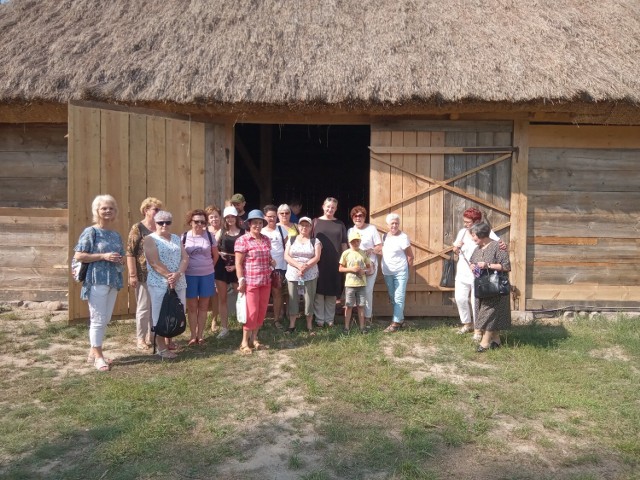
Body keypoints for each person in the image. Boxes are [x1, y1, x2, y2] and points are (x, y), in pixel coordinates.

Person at [73, 194, 125, 372]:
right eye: (104, 208)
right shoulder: (91, 232)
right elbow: (79, 255)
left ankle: (92, 352)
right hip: (96, 279)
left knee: (106, 318)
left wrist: (120, 260)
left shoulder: (115, 234)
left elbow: (120, 255)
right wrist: (103, 256)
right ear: (97, 211)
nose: (108, 211)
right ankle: (99, 357)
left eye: (111, 208)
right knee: (97, 319)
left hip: (113, 279)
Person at [452, 207, 503, 341]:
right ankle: (467, 323)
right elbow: (455, 251)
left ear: (477, 221)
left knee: (477, 303)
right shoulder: (462, 232)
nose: (465, 224)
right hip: (463, 271)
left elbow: (499, 244)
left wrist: (503, 246)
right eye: (465, 221)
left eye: (468, 222)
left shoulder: (486, 232)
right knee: (460, 298)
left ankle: (478, 329)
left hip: (478, 273)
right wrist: (456, 247)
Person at [143, 210, 189, 359]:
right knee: (160, 314)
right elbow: (154, 262)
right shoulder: (150, 239)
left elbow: (185, 258)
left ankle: (170, 340)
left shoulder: (176, 238)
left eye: (167, 222)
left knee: (176, 311)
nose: (164, 225)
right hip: (159, 283)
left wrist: (178, 274)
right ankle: (161, 347)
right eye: (160, 222)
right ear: (155, 223)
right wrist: (170, 276)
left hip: (178, 282)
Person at [235, 209, 274, 354]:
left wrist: (272, 261)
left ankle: (254, 339)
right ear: (249, 224)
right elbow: (238, 263)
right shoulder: (242, 240)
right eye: (254, 223)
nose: (257, 225)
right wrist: (241, 280)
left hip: (265, 280)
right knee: (251, 312)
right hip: (250, 281)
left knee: (261, 311)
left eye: (259, 222)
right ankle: (244, 342)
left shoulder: (266, 239)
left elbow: (267, 257)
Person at [126, 197, 163, 351]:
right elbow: (130, 252)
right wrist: (132, 275)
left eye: (159, 210)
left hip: (159, 275)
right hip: (143, 274)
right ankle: (140, 338)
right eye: (155, 209)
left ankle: (152, 336)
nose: (157, 212)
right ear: (146, 210)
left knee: (156, 307)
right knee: (143, 307)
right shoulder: (138, 228)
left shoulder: (161, 228)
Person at [469, 222, 511, 352]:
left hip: (494, 287)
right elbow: (473, 262)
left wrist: (488, 265)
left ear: (481, 235)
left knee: (489, 314)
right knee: (485, 312)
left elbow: (506, 266)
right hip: (482, 287)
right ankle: (496, 340)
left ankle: (485, 343)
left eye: (474, 235)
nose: (472, 238)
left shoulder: (497, 246)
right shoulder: (478, 248)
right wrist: (472, 266)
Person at [182, 209, 219, 345]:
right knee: (192, 307)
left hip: (206, 275)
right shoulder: (184, 236)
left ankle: (200, 335)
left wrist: (209, 267)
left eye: (202, 222)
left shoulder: (209, 236)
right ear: (190, 222)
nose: (199, 224)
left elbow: (216, 255)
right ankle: (192, 336)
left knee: (203, 306)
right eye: (196, 221)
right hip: (189, 275)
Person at [312, 197, 348, 327]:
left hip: (335, 262)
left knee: (332, 292)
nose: (330, 209)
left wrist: (345, 260)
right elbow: (310, 242)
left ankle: (329, 319)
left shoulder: (340, 224)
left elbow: (344, 244)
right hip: (319, 261)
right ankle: (319, 320)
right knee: (319, 291)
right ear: (323, 206)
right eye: (328, 206)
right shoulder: (315, 222)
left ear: (336, 209)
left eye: (333, 207)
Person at [284, 216, 322, 334]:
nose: (304, 227)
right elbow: (286, 256)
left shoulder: (315, 241)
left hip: (310, 274)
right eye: (302, 225)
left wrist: (305, 266)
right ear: (298, 226)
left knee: (309, 299)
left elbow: (317, 257)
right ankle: (292, 325)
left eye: (307, 225)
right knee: (293, 298)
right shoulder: (291, 240)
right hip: (293, 274)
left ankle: (309, 326)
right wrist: (298, 266)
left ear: (311, 227)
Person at [347, 205, 382, 329]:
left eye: (360, 215)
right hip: (355, 267)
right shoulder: (350, 231)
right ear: (352, 218)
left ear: (364, 217)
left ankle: (367, 319)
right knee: (354, 292)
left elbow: (379, 246)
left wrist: (371, 250)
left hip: (369, 266)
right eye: (355, 216)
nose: (358, 218)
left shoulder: (372, 229)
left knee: (367, 292)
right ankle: (356, 319)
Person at [214, 206, 245, 338]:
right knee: (222, 298)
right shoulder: (220, 232)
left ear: (236, 217)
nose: (230, 219)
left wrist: (236, 266)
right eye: (228, 217)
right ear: (225, 219)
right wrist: (219, 253)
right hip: (222, 267)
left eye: (232, 216)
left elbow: (247, 252)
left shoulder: (244, 232)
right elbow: (214, 249)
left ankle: (244, 325)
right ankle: (224, 328)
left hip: (238, 266)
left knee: (242, 297)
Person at [381, 213, 414, 333]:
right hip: (387, 271)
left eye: (396, 223)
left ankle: (394, 324)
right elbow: (385, 252)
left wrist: (407, 272)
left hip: (400, 271)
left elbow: (410, 256)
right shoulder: (384, 236)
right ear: (388, 225)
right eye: (392, 223)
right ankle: (400, 319)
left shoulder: (403, 237)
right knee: (392, 297)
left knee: (399, 297)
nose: (394, 225)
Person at [339, 230, 372, 333]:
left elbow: (369, 268)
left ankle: (362, 328)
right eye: (353, 241)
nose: (355, 243)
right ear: (349, 242)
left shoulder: (363, 253)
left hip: (361, 284)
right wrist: (351, 269)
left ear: (360, 241)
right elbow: (340, 268)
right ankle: (346, 327)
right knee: (348, 306)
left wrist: (364, 272)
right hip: (350, 284)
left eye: (357, 241)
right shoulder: (346, 253)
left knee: (361, 306)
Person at [261, 204, 288, 329]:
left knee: (277, 293)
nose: (271, 219)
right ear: (264, 217)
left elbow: (288, 248)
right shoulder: (260, 231)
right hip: (263, 268)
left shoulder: (282, 230)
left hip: (279, 267)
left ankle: (277, 320)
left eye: (273, 216)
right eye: (269, 216)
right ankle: (260, 319)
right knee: (263, 294)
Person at [206, 205, 223, 332]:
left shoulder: (224, 231)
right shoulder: (204, 231)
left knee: (217, 293)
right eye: (211, 217)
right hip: (206, 264)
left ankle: (214, 320)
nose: (214, 219)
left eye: (216, 216)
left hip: (220, 265)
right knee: (207, 292)